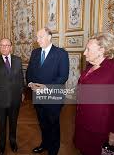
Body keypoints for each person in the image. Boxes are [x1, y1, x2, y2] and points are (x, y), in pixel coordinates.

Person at [74, 33, 114, 155]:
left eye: (88, 49)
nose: (84, 53)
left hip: (99, 128)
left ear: (101, 50)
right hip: (84, 122)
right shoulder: (90, 66)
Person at [26, 27, 69, 155]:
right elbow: (29, 71)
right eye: (37, 37)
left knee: (53, 125)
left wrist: (46, 87)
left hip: (53, 96)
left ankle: (53, 150)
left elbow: (63, 76)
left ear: (49, 37)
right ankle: (44, 144)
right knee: (43, 123)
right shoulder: (35, 53)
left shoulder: (61, 53)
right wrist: (30, 83)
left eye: (40, 37)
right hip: (38, 96)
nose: (37, 40)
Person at [0, 38, 25, 155]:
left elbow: (21, 78)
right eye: (2, 45)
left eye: (7, 45)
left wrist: (22, 92)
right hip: (0, 99)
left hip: (15, 98)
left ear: (11, 47)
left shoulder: (18, 60)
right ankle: (2, 143)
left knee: (13, 122)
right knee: (2, 123)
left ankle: (13, 141)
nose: (4, 47)